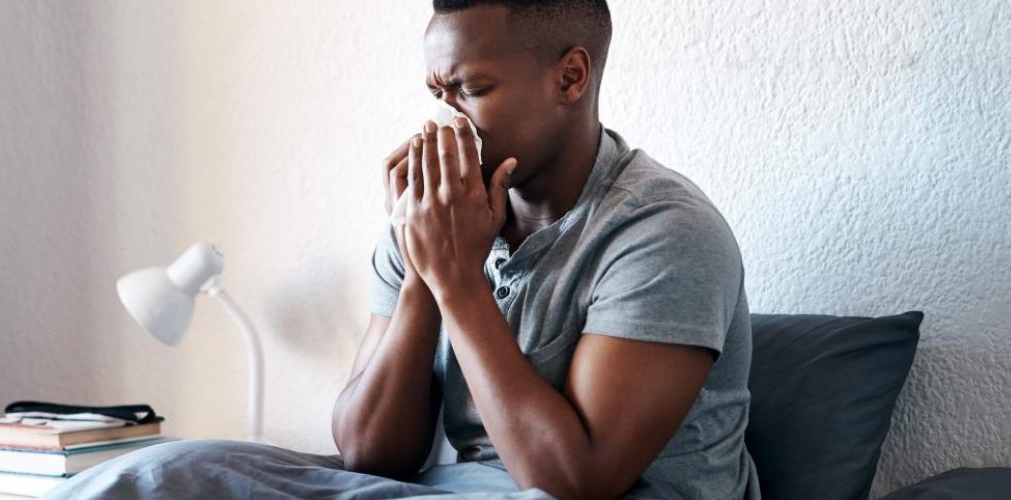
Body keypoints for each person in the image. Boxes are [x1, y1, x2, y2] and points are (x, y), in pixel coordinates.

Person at [42, 1, 759, 499]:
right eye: (437, 91)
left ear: (570, 77)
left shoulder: (663, 232)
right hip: (437, 490)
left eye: (472, 90)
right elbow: (370, 454)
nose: (446, 120)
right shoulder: (436, 220)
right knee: (157, 477)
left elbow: (577, 480)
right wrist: (421, 268)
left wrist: (456, 281)